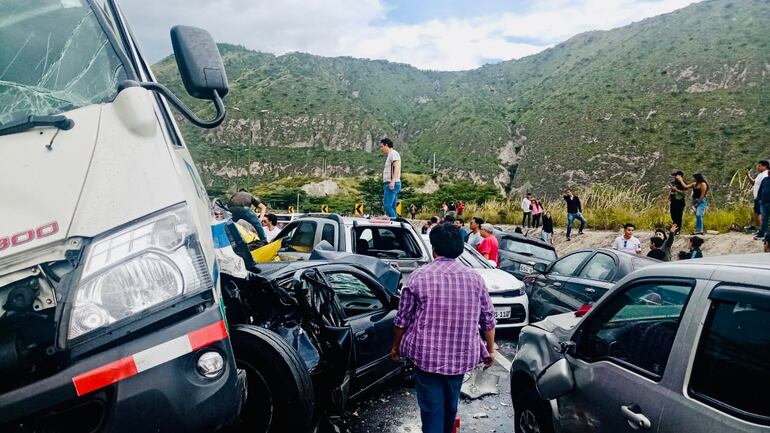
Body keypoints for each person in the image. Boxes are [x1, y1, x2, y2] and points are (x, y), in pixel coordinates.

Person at [391, 223, 496, 433]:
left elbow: (402, 319)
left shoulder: (419, 276)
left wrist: (396, 346)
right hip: (461, 356)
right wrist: (490, 349)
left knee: (431, 410)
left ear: (434, 248)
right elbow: (488, 318)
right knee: (451, 405)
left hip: (427, 357)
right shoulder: (475, 279)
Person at [380, 138, 401, 219]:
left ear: (386, 145)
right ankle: (395, 220)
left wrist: (393, 181)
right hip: (389, 183)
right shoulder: (390, 155)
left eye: (382, 147)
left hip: (391, 183)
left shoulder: (393, 154)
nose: (381, 149)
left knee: (387, 205)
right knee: (392, 206)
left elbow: (397, 167)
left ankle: (394, 222)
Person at [747, 161, 769, 232]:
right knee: (756, 212)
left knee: (760, 214)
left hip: (761, 198)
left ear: (765, 166)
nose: (757, 167)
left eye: (759, 166)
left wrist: (761, 197)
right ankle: (754, 226)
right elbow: (754, 183)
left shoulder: (765, 174)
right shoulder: (760, 174)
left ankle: (761, 230)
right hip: (757, 197)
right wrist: (748, 176)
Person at [755, 165, 770, 240]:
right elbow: (760, 191)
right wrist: (759, 200)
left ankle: (767, 236)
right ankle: (763, 234)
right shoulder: (765, 179)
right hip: (763, 203)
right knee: (764, 219)